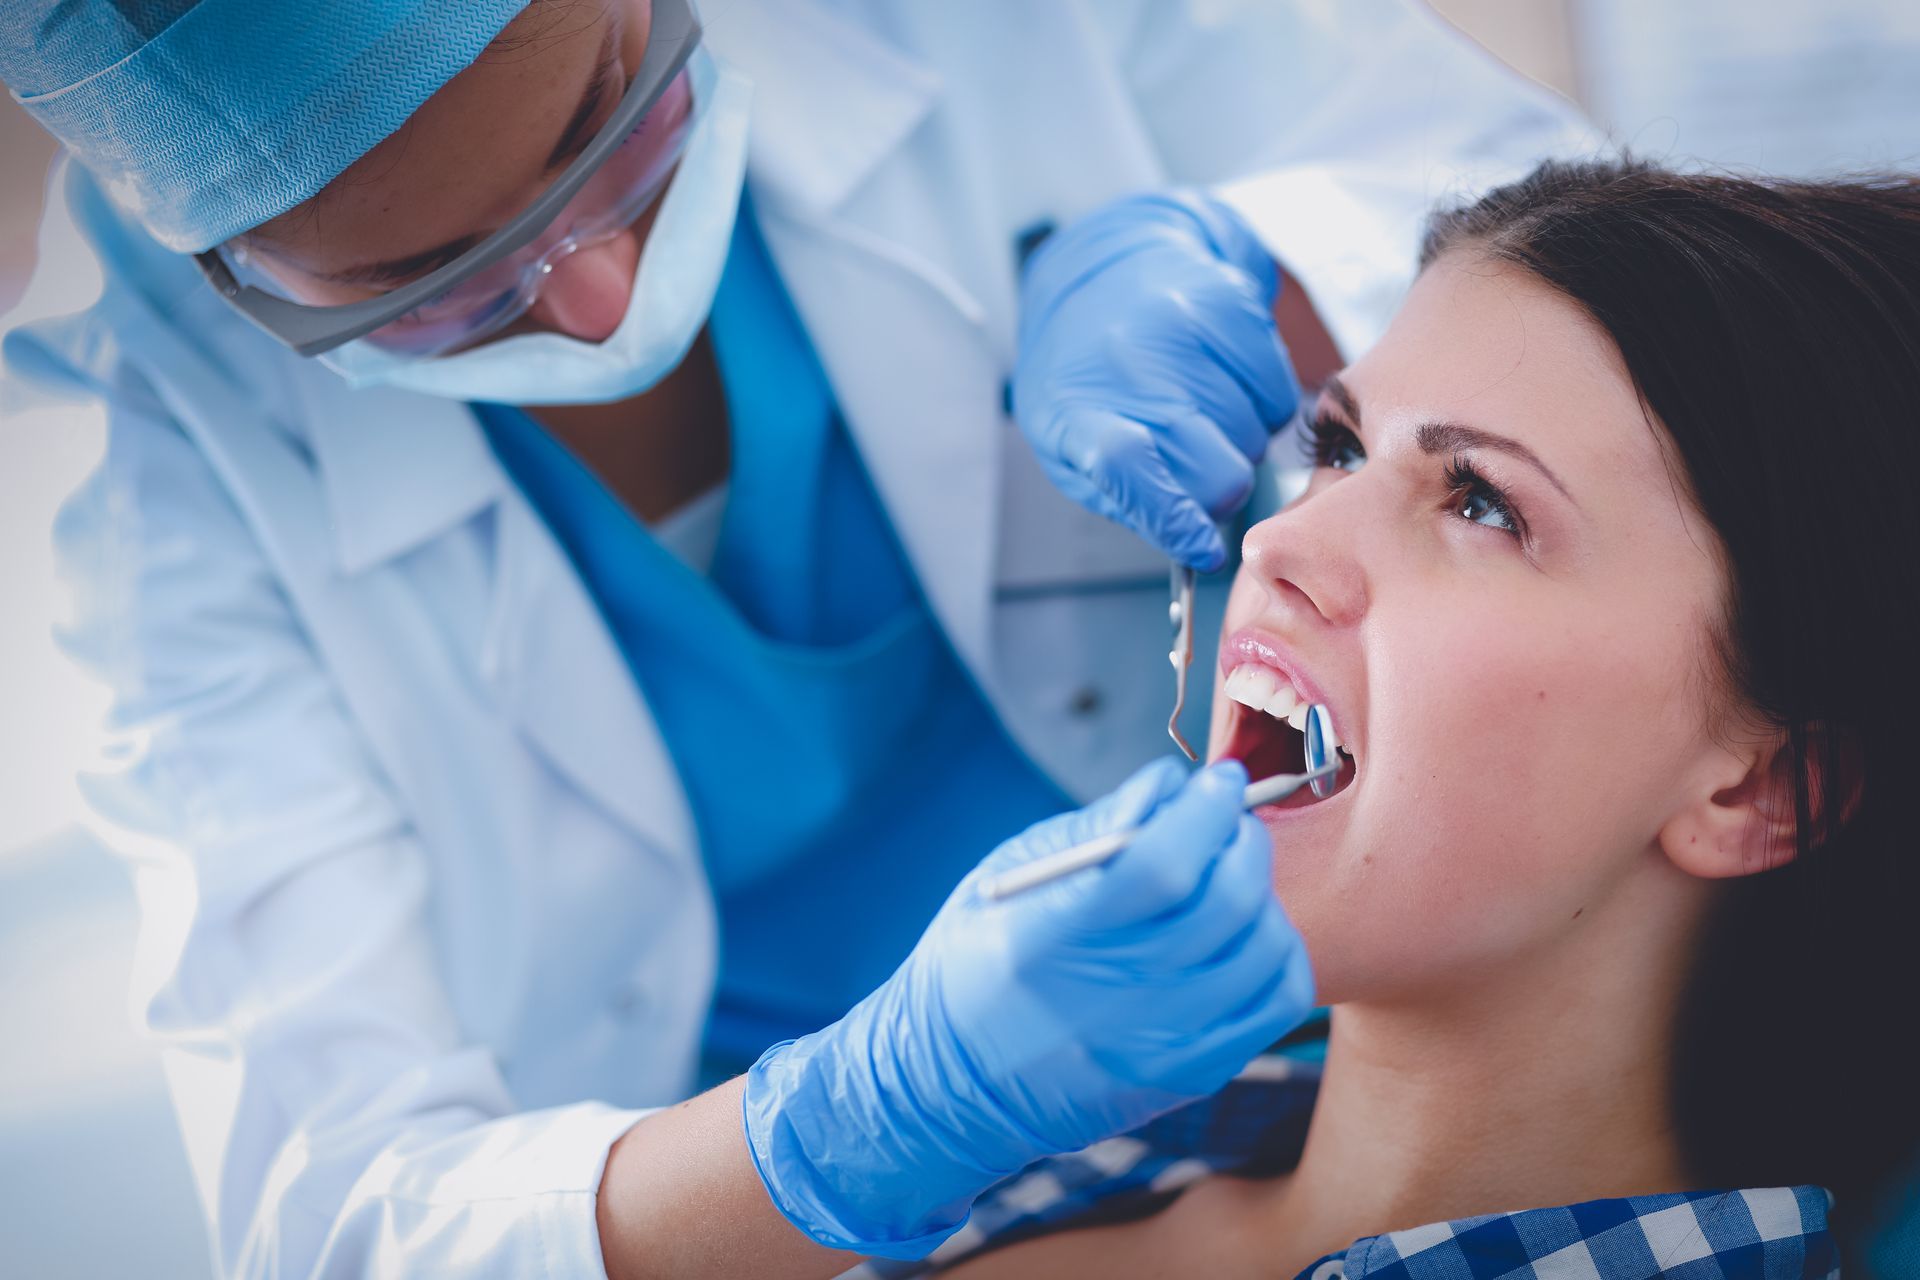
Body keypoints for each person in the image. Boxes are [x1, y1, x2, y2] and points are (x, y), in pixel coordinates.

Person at [0, 0, 1587, 1275]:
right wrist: (845, 1131)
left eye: (608, 126)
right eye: (426, 285)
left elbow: (1620, 273)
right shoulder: (163, 461)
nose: (604, 297)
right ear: (238, 285)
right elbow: (337, 1215)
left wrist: (1279, 269)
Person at [831, 159, 1920, 1279]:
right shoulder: (1081, 1154)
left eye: (1482, 502)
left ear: (1760, 789)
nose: (1272, 545)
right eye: (1338, 447)